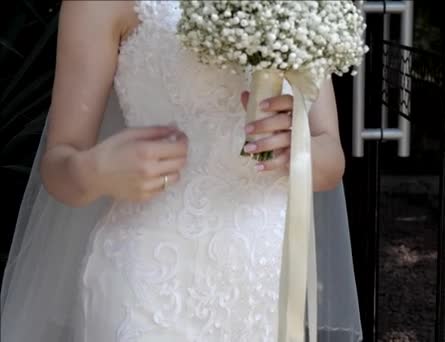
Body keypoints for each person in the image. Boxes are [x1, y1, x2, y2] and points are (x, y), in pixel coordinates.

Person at [0, 1, 362, 341]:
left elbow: (331, 158)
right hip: (147, 287)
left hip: (267, 282)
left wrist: (296, 148)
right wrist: (95, 171)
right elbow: (59, 164)